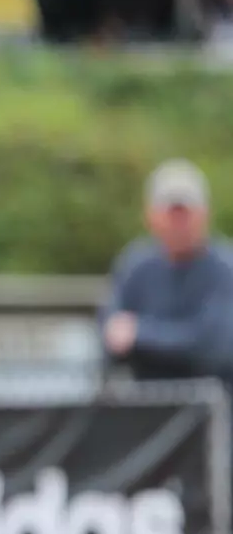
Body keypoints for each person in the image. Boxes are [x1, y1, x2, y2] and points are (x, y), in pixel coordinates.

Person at [100, 159, 233, 385]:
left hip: (215, 406)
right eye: (171, 214)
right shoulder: (135, 264)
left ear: (205, 215)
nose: (178, 223)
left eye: (186, 214)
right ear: (150, 216)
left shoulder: (224, 268)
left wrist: (139, 334)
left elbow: (214, 347)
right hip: (148, 405)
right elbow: (110, 335)